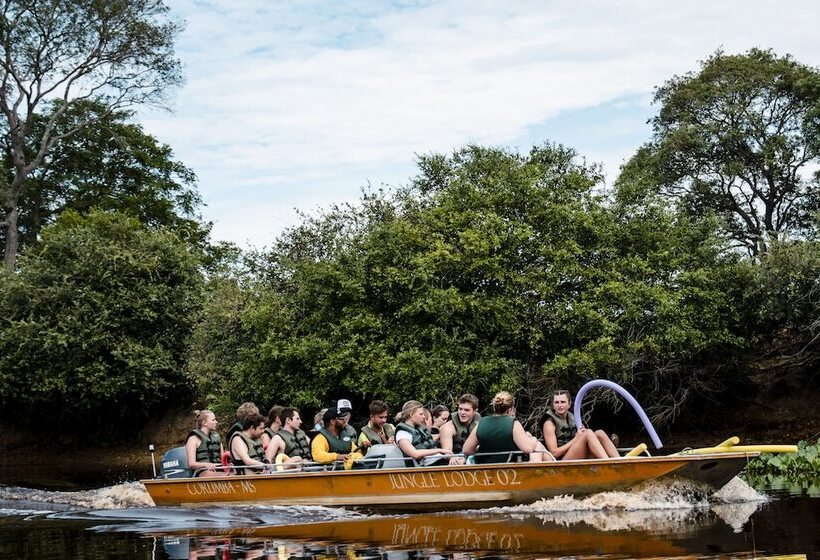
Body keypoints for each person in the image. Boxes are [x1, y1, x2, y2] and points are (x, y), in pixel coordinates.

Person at [462, 392, 553, 463]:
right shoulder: (513, 423)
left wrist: (479, 448)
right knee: (537, 445)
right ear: (510, 409)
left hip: (486, 465)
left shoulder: (481, 423)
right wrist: (533, 439)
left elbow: (467, 449)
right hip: (509, 464)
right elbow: (528, 448)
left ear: (494, 407)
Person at [542, 390, 619, 460]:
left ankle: (621, 461)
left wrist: (581, 434)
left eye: (562, 402)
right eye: (556, 402)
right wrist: (576, 438)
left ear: (569, 404)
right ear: (553, 405)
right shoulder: (549, 423)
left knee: (599, 433)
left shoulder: (571, 417)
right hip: (562, 460)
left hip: (575, 452)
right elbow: (554, 453)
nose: (559, 405)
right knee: (588, 433)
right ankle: (607, 462)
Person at [395, 400, 459, 466]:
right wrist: (440, 450)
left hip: (439, 460)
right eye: (421, 414)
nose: (423, 417)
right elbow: (415, 454)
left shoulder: (418, 429)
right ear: (411, 414)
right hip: (427, 465)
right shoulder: (402, 434)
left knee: (461, 461)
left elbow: (429, 441)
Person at [185, 410, 228, 477]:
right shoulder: (193, 439)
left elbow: (222, 458)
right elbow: (191, 464)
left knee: (234, 474)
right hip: (203, 472)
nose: (216, 422)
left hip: (219, 469)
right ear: (204, 423)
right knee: (224, 476)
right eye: (213, 420)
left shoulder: (216, 438)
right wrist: (206, 465)